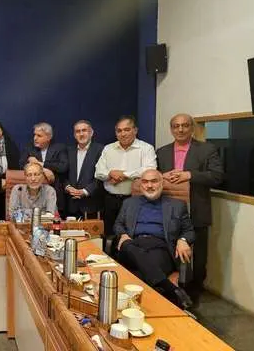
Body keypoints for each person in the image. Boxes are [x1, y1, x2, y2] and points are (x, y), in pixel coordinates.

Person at [156, 113, 224, 303]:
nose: (180, 129)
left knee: (198, 257)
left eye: (185, 125)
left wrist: (189, 175)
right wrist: (162, 176)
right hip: (169, 212)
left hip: (196, 210)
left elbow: (217, 176)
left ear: (192, 128)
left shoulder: (207, 149)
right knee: (170, 252)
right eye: (176, 126)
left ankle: (194, 295)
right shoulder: (161, 152)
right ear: (171, 129)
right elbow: (152, 177)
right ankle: (172, 292)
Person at [113, 169, 194, 309]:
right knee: (126, 244)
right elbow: (118, 224)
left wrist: (183, 240)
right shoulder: (129, 203)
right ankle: (171, 290)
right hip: (133, 246)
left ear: (162, 183)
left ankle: (133, 310)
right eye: (145, 182)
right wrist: (123, 235)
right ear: (141, 185)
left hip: (160, 249)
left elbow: (189, 230)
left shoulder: (177, 205)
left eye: (154, 181)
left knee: (140, 272)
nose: (149, 185)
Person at [95, 115, 157, 238]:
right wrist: (110, 174)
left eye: (127, 130)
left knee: (132, 235)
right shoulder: (108, 148)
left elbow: (150, 169)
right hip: (110, 200)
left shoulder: (146, 148)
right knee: (110, 236)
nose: (123, 134)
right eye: (119, 131)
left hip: (135, 200)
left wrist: (124, 174)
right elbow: (98, 172)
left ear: (135, 130)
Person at [19, 122, 68, 215]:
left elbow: (63, 167)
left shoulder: (59, 148)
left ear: (48, 137)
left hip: (55, 193)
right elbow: (21, 165)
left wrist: (40, 164)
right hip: (34, 197)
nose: (35, 138)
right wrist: (44, 170)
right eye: (34, 135)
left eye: (39, 136)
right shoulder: (29, 148)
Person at [64, 120, 104, 217]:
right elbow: (63, 173)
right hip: (71, 205)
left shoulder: (101, 150)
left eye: (84, 130)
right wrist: (68, 187)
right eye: (78, 131)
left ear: (91, 133)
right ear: (74, 135)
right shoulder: (68, 150)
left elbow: (102, 176)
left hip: (92, 205)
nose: (81, 134)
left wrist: (85, 191)